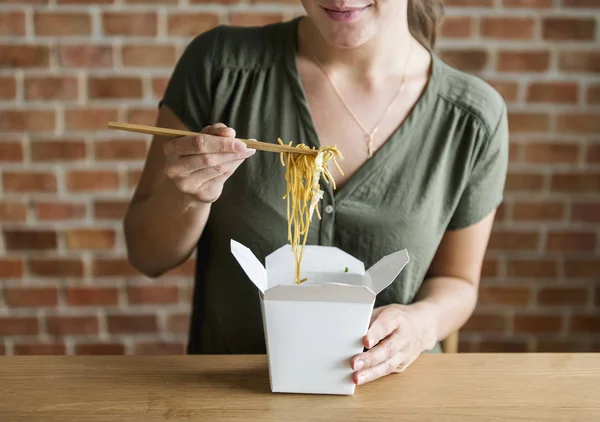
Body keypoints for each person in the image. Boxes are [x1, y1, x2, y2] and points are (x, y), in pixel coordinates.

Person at [123, 0, 508, 386]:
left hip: (393, 398)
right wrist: (189, 196)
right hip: (231, 394)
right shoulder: (218, 67)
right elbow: (147, 256)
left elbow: (457, 281)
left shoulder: (473, 119)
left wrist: (421, 324)